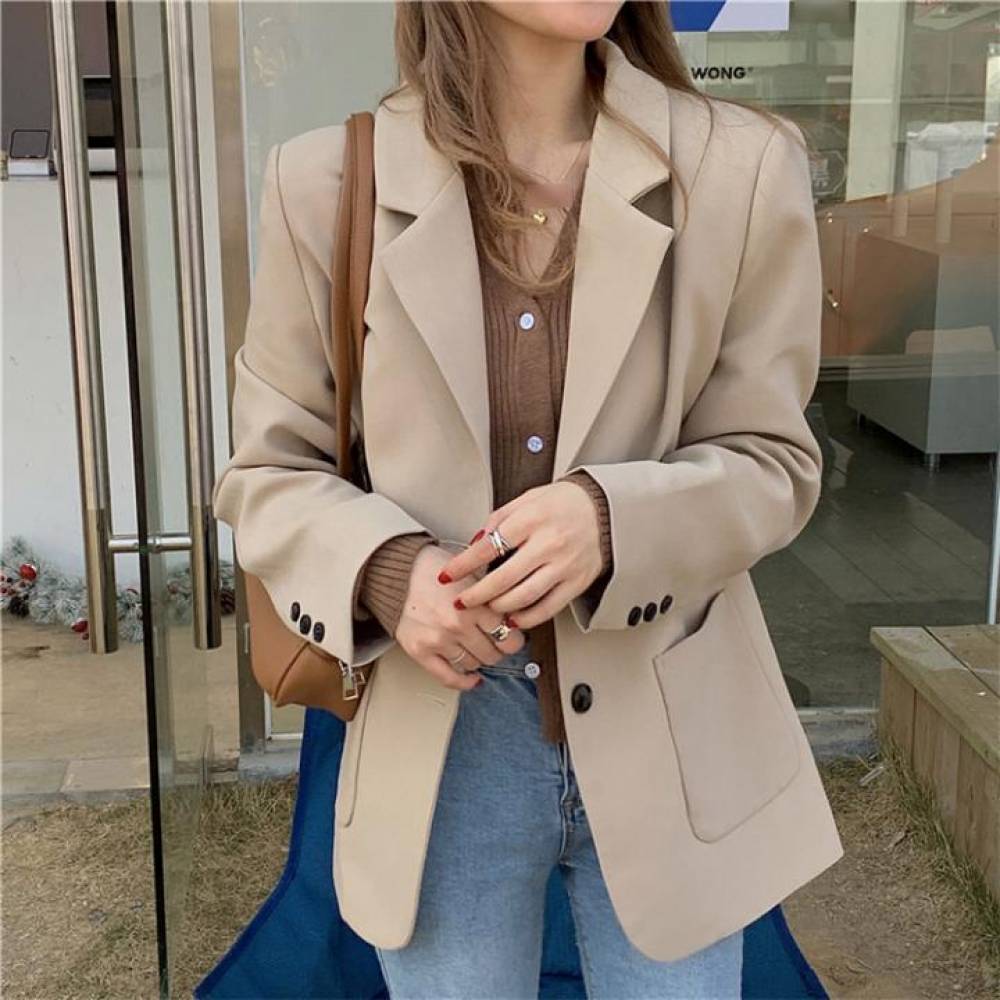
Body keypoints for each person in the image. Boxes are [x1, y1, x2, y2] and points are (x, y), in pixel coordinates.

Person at [212, 2, 845, 997]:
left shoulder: (742, 167)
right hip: (443, 745)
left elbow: (774, 458)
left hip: (672, 726)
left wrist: (612, 520)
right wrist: (390, 574)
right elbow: (267, 472)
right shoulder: (326, 181)